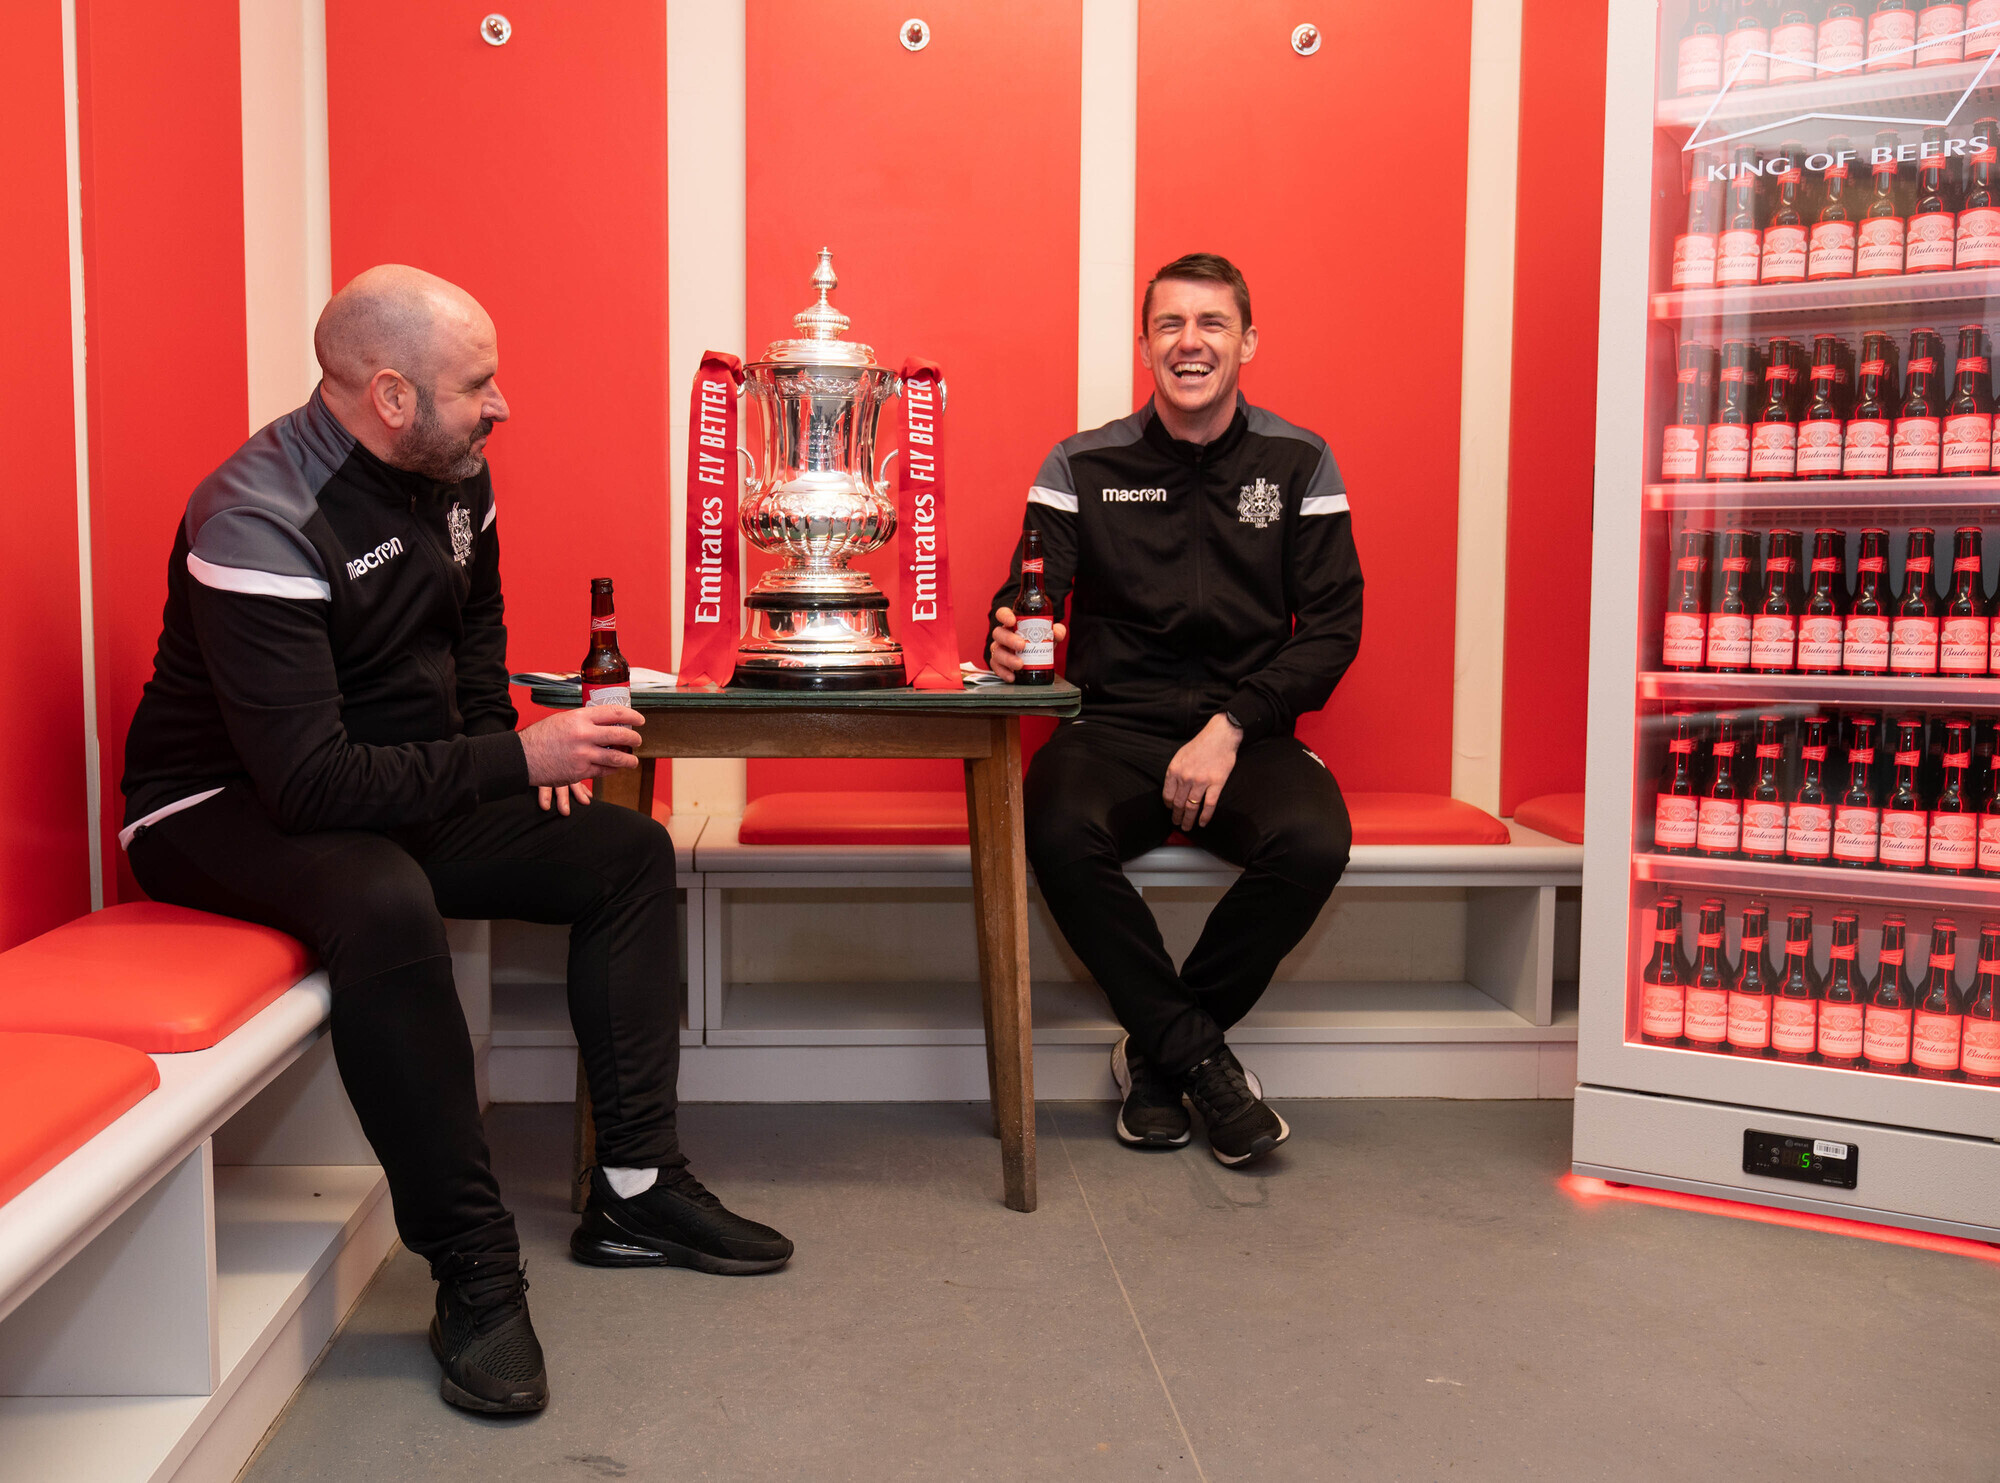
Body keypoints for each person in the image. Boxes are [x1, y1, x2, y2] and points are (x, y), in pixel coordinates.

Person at [120, 265, 791, 1416]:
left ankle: (635, 1190)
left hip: (390, 785)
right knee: (382, 897)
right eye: (478, 384)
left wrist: (499, 758)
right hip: (218, 805)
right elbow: (308, 782)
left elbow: (471, 631)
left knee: (624, 856)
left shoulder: (453, 470)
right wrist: (515, 761)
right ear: (390, 395)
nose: (501, 405)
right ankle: (473, 1268)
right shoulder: (258, 514)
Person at [987, 252, 1362, 1167]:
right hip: (1112, 729)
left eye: (1212, 323)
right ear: (1145, 344)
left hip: (1246, 729)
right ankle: (1197, 1057)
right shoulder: (1081, 462)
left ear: (1248, 342)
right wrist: (1006, 637)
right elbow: (1029, 598)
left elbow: (1332, 630)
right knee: (1052, 822)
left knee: (1315, 840)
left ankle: (1156, 1057)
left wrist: (1231, 727)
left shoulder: (1301, 461)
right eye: (1170, 324)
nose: (1190, 342)